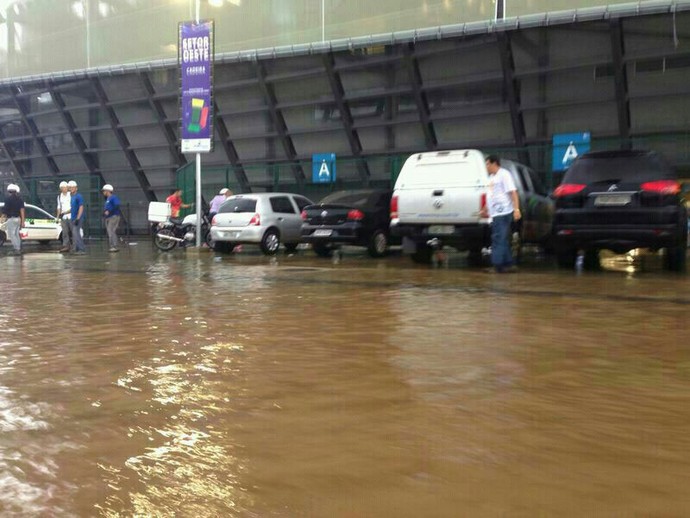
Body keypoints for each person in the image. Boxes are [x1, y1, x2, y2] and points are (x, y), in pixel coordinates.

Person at [482, 155, 521, 273]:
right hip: (495, 213)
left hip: (503, 212)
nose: (486, 167)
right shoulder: (491, 177)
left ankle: (497, 265)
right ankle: (508, 264)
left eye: (488, 164)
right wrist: (485, 208)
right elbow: (491, 194)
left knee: (498, 238)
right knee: (502, 238)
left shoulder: (504, 175)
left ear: (494, 164)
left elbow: (513, 193)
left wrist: (516, 209)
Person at [3, 184, 25, 256]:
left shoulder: (7, 199)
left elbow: (5, 211)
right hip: (18, 219)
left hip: (11, 219)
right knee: (16, 234)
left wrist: (2, 218)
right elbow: (22, 210)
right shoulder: (20, 199)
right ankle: (18, 248)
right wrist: (22, 221)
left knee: (12, 235)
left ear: (9, 191)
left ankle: (16, 249)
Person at [68, 180, 86, 254]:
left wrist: (78, 218)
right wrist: (64, 213)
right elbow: (72, 209)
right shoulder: (72, 197)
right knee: (75, 233)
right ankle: (78, 249)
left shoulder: (78, 196)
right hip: (73, 218)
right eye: (70, 187)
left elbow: (81, 207)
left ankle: (81, 249)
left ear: (76, 188)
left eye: (72, 187)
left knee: (76, 233)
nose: (71, 189)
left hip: (77, 218)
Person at [102, 184, 121, 252]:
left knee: (111, 231)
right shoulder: (108, 199)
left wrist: (109, 211)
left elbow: (117, 205)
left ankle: (114, 246)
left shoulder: (113, 197)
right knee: (110, 231)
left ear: (108, 191)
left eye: (104, 191)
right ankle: (113, 246)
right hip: (109, 217)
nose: (103, 192)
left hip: (114, 216)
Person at [56, 180, 72, 252]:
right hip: (63, 217)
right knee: (65, 233)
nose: (64, 189)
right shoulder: (59, 197)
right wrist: (57, 216)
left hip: (71, 216)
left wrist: (66, 212)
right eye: (62, 188)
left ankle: (75, 246)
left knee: (74, 232)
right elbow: (59, 207)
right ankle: (66, 246)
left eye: (65, 187)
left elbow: (73, 206)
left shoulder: (71, 195)